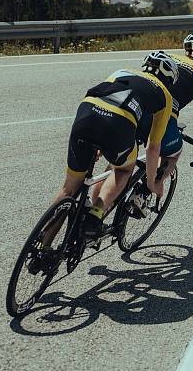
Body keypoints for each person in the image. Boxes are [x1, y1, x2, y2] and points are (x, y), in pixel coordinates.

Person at [55, 51, 179, 239]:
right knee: (122, 170)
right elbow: (153, 148)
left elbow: (104, 102)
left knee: (69, 188)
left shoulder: (122, 71)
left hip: (87, 111)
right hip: (119, 121)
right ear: (169, 78)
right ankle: (95, 215)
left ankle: (43, 247)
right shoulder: (165, 95)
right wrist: (152, 183)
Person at [135, 31, 193, 178]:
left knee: (121, 160)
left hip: (136, 105)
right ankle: (149, 189)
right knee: (173, 154)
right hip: (163, 116)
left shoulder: (169, 58)